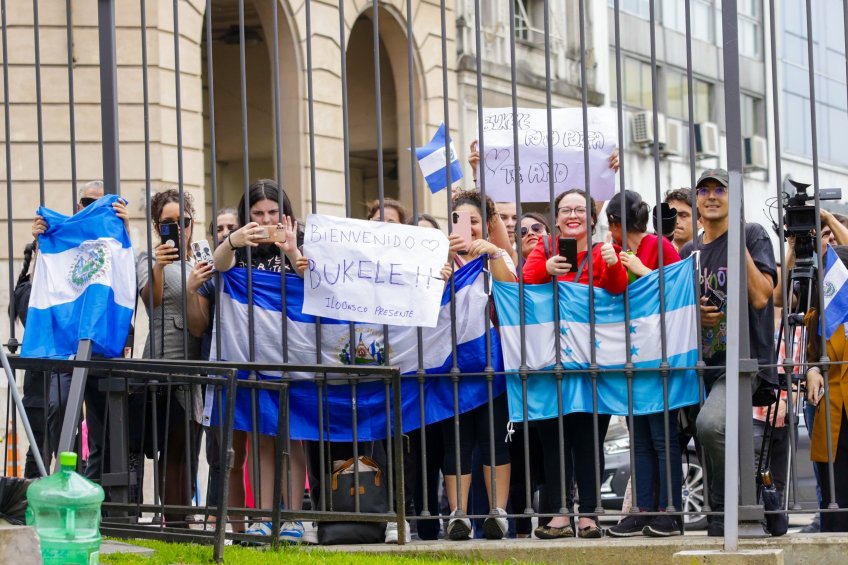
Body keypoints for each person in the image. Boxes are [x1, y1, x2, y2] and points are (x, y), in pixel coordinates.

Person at [523, 188, 626, 539]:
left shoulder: (602, 251)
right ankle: (560, 515)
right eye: (566, 209)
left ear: (592, 218)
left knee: (588, 440)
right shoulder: (546, 248)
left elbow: (617, 290)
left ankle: (590, 516)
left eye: (580, 210)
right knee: (553, 439)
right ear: (556, 217)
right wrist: (547, 268)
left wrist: (613, 265)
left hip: (591, 363)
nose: (573, 215)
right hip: (550, 363)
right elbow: (526, 280)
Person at [679, 169, 777, 537]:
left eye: (720, 189)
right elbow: (677, 309)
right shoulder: (690, 251)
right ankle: (718, 514)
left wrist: (736, 237)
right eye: (703, 190)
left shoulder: (752, 235)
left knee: (710, 425)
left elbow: (761, 295)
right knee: (700, 435)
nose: (711, 195)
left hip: (741, 362)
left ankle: (734, 503)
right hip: (699, 363)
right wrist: (696, 314)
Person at [209, 179, 307, 542]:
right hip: (251, 357)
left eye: (272, 213)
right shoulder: (241, 248)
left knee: (292, 437)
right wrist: (233, 240)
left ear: (287, 214)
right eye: (257, 214)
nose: (266, 220)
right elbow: (220, 266)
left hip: (295, 357)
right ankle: (264, 517)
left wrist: (293, 249)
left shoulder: (299, 243)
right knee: (261, 439)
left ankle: (294, 517)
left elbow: (314, 283)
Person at [30, 180, 131, 484]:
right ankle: (57, 480)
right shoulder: (64, 238)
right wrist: (43, 246)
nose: (93, 210)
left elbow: (128, 284)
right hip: (68, 345)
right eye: (88, 203)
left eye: (103, 206)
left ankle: (93, 492)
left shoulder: (118, 241)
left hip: (100, 346)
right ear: (77, 206)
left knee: (101, 425)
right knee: (58, 409)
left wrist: (126, 231)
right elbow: (39, 290)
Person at [603, 190, 683, 538]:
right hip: (632, 356)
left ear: (616, 223)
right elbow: (612, 294)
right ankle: (642, 510)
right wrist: (612, 263)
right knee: (640, 439)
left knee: (663, 438)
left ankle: (671, 511)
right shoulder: (617, 251)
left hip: (661, 355)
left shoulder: (660, 247)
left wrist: (641, 269)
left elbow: (679, 293)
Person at [442, 190, 516, 541]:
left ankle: (496, 513)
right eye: (460, 220)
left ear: (486, 225)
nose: (467, 228)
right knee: (457, 441)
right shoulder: (438, 259)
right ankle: (457, 514)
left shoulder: (496, 256)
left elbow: (510, 294)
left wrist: (494, 254)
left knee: (494, 440)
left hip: (493, 365)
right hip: (452, 367)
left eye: (474, 221)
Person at [137, 188, 209, 527]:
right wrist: (159, 266)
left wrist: (195, 285)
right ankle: (176, 520)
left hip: (195, 367)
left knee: (187, 447)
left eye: (184, 221)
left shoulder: (200, 261)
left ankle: (183, 515)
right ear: (157, 226)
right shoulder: (147, 260)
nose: (178, 228)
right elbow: (150, 300)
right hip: (162, 367)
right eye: (168, 223)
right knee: (170, 446)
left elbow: (202, 321)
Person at [804, 245, 848, 533]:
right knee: (836, 503)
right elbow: (813, 356)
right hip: (833, 420)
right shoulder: (818, 317)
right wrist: (812, 370)